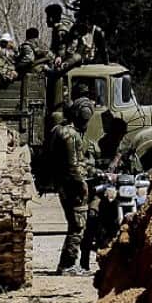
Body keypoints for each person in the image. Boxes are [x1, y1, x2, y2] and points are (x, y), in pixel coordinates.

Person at [52, 101, 94, 275]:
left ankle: (67, 264)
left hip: (64, 183)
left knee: (75, 224)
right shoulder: (70, 134)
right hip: (72, 186)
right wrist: (82, 183)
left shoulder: (58, 130)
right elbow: (73, 165)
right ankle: (68, 264)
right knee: (78, 225)